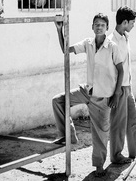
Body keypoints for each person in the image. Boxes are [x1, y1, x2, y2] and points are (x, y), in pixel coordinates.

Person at [52, 13, 124, 177]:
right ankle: (68, 136)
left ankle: (99, 166)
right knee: (58, 101)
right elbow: (65, 50)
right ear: (92, 27)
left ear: (107, 28)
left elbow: (121, 70)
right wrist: (59, 30)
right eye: (96, 24)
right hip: (87, 91)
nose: (99, 27)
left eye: (102, 25)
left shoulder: (112, 47)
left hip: (103, 96)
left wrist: (117, 94)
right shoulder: (88, 43)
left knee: (100, 133)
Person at [108, 6, 136, 165]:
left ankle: (135, 151)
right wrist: (116, 92)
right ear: (124, 22)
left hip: (128, 86)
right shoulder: (112, 42)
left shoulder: (125, 37)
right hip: (118, 89)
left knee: (133, 119)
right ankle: (116, 156)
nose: (133, 25)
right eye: (132, 22)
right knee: (118, 123)